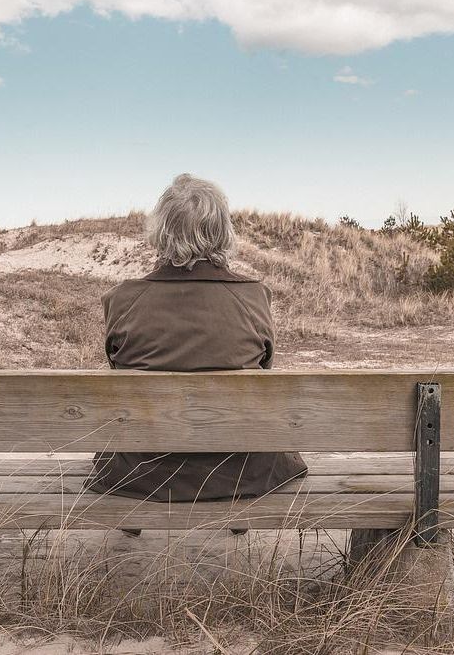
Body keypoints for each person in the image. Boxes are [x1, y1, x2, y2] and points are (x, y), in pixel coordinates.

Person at [84, 173, 308, 516]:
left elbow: (118, 370)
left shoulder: (123, 300)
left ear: (162, 231)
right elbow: (263, 370)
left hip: (142, 474)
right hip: (241, 472)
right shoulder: (254, 298)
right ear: (222, 231)